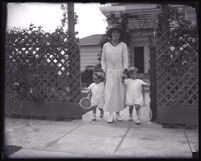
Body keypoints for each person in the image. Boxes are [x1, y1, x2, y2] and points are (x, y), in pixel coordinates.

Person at [101, 24, 128, 123]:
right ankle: (111, 114)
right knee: (109, 93)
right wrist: (103, 70)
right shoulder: (106, 46)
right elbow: (103, 60)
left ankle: (118, 113)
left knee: (119, 93)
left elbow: (125, 59)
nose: (115, 34)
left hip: (119, 71)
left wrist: (125, 71)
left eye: (117, 33)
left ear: (119, 35)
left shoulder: (123, 46)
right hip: (109, 72)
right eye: (113, 33)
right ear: (110, 34)